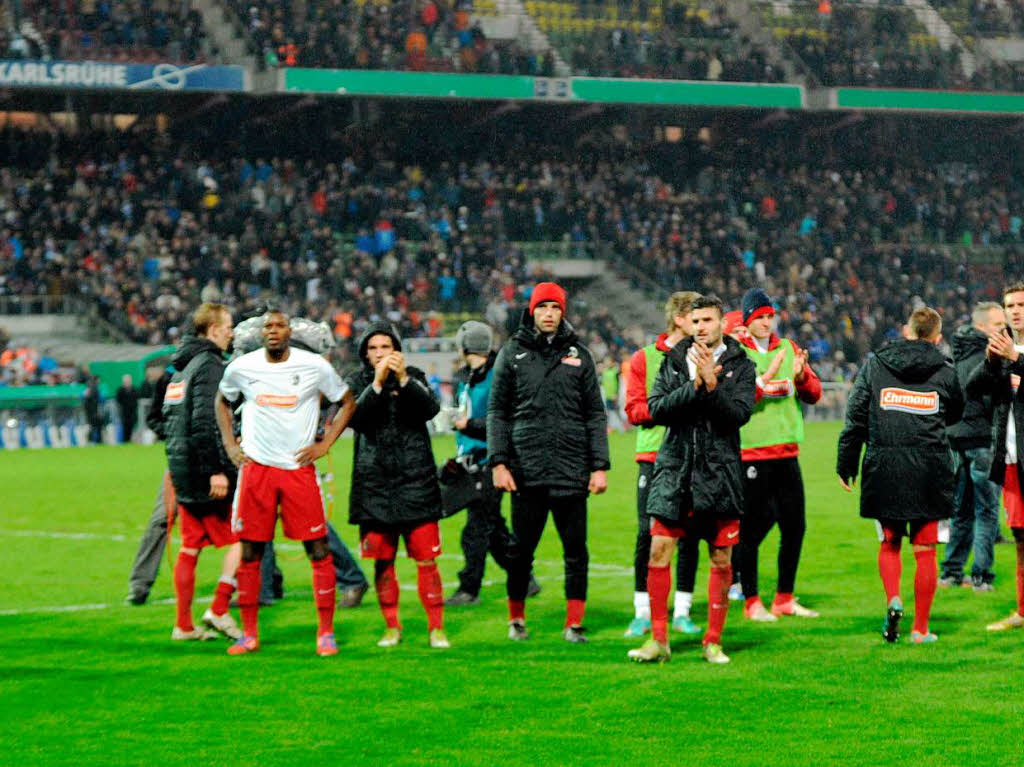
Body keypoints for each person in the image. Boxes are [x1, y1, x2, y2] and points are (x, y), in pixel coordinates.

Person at [216, 309, 356, 656]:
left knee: (318, 549)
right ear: (261, 333)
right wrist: (231, 445)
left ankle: (325, 632)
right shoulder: (242, 367)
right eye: (268, 327)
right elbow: (222, 401)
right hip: (257, 471)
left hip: (298, 470)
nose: (274, 331)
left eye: (279, 326)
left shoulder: (313, 366)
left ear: (289, 332)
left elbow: (347, 401)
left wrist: (325, 444)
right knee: (250, 553)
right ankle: (249, 635)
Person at [628, 294, 756, 664]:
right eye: (696, 321)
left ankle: (712, 641)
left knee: (720, 559)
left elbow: (738, 415)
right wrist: (695, 387)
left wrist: (714, 386)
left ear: (721, 323)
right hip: (675, 469)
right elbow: (656, 409)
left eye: (708, 321)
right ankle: (659, 641)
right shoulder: (672, 360)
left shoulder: (741, 366)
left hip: (720, 472)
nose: (701, 328)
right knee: (658, 551)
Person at [488, 281, 610, 643]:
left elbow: (594, 414)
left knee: (576, 551)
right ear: (532, 311)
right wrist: (499, 462)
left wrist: (599, 465)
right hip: (527, 470)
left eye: (555, 308)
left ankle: (574, 623)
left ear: (563, 312)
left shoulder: (580, 355)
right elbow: (498, 412)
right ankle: (516, 620)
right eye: (542, 308)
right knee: (521, 551)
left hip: (572, 470)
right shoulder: (511, 353)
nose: (548, 314)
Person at [837, 307, 963, 644]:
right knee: (925, 551)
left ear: (907, 331)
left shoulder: (877, 364)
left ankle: (893, 598)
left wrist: (846, 462)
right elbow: (957, 412)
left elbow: (856, 413)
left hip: (885, 464)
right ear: (937, 337)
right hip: (930, 468)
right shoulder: (945, 369)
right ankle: (921, 629)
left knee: (890, 542)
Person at [346, 321, 450, 648]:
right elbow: (356, 419)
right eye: (373, 348)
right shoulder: (357, 382)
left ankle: (436, 627)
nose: (380, 354)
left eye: (386, 348)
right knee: (383, 560)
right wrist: (376, 385)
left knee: (426, 560)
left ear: (397, 351)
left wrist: (403, 380)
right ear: (365, 354)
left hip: (416, 481)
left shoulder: (414, 377)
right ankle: (392, 626)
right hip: (374, 485)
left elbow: (431, 410)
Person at [734, 288, 822, 622]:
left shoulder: (788, 349)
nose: (767, 323)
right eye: (760, 317)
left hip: (787, 449)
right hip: (752, 451)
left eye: (770, 317)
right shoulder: (736, 354)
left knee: (795, 526)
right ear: (748, 320)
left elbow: (813, 394)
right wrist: (763, 382)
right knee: (751, 529)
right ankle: (751, 599)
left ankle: (784, 597)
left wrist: (801, 379)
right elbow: (737, 399)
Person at [622, 291, 704, 639]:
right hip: (655, 457)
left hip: (696, 455)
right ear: (679, 318)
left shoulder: (706, 355)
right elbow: (636, 411)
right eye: (696, 316)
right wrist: (675, 405)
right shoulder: (643, 359)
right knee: (647, 533)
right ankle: (643, 611)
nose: (702, 324)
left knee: (691, 535)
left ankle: (682, 611)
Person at [163, 303, 243, 641]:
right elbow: (206, 420)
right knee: (245, 538)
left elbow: (167, 418)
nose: (232, 332)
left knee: (190, 548)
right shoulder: (210, 365)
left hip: (183, 471)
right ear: (212, 330)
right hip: (205, 472)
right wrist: (216, 471)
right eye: (227, 326)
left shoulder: (181, 370)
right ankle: (220, 609)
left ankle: (183, 624)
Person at [444, 320, 539, 606]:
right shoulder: (467, 378)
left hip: (492, 459)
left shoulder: (499, 376)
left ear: (464, 345)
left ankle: (469, 589)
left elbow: (506, 420)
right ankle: (524, 576)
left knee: (476, 529)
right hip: (470, 460)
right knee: (493, 528)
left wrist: (467, 424)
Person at [966, 283, 1024, 631]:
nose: (1015, 311)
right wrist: (991, 361)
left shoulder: (1015, 354)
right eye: (1010, 305)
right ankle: (1021, 610)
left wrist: (1017, 360)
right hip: (1013, 460)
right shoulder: (1002, 348)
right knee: (1020, 540)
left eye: (1020, 304)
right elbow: (972, 388)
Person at [941, 302, 1005, 591]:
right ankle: (981, 576)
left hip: (956, 440)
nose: (1003, 330)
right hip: (981, 441)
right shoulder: (989, 358)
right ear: (982, 328)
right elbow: (994, 402)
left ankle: (952, 572)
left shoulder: (956, 355)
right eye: (998, 325)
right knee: (987, 511)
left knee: (962, 509)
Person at [116, 374, 139, 443]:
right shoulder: (120, 390)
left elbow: (137, 398)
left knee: (132, 426)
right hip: (124, 412)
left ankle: (131, 440)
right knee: (125, 427)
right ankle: (125, 440)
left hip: (133, 412)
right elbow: (118, 400)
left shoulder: (134, 389)